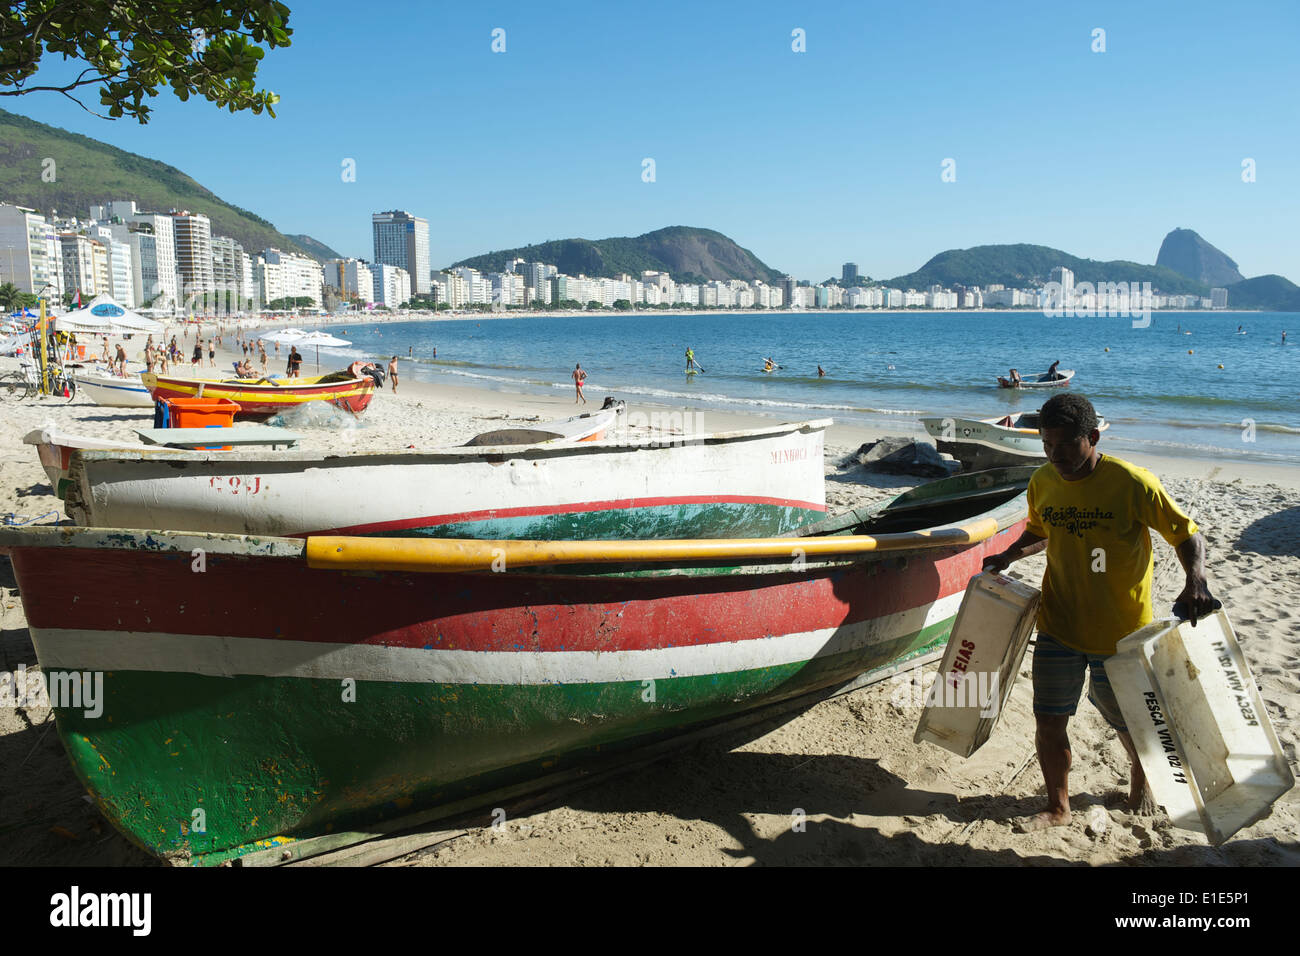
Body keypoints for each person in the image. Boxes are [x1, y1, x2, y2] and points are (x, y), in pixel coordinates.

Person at [981, 393, 1213, 830]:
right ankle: (1058, 807)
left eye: (1066, 445)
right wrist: (1008, 555)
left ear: (1092, 436)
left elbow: (1186, 534)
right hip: (1058, 625)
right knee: (1049, 720)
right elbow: (1040, 529)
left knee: (1129, 720)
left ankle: (1141, 780)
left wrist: (1195, 581)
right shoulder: (1043, 480)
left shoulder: (1132, 482)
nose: (1056, 455)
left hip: (1121, 632)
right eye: (1047, 445)